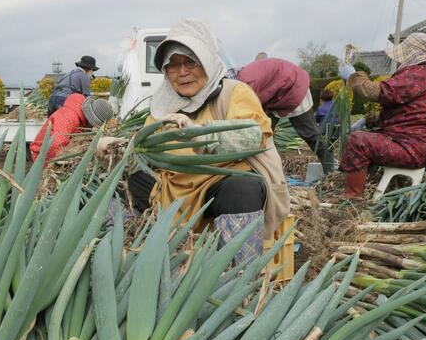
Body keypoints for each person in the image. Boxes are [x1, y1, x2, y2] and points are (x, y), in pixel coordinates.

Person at [105, 19, 289, 258]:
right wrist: (117, 148)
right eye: (173, 65)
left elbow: (252, 136)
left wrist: (197, 133)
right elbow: (144, 150)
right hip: (175, 191)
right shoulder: (163, 105)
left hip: (219, 186)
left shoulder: (234, 92)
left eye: (190, 62)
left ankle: (237, 277)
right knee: (120, 185)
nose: (182, 72)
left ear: (208, 61)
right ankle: (134, 253)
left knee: (242, 188)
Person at [337, 32, 426, 198]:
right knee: (368, 137)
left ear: (412, 54)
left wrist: (353, 77)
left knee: (358, 141)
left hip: (410, 147)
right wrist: (369, 119)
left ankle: (353, 195)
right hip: (421, 146)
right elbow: (411, 113)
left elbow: (379, 92)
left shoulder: (418, 74)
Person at [237, 56, 333, 173]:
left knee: (310, 134)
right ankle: (259, 171)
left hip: (293, 87)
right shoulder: (238, 81)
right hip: (275, 93)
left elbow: (247, 113)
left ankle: (329, 168)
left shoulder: (244, 85)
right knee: (263, 136)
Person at [30, 93, 114, 163]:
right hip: (42, 156)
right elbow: (56, 145)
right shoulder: (68, 117)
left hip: (54, 153)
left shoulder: (80, 117)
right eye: (94, 124)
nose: (93, 127)